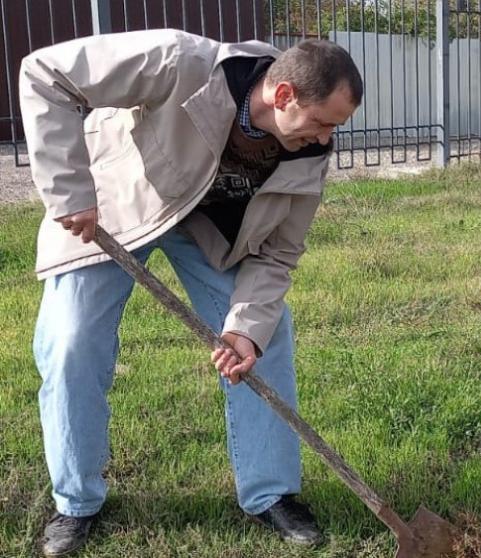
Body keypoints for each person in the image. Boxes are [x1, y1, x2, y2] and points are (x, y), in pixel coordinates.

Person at [19, 29, 362, 556]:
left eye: (335, 127)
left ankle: (271, 492)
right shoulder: (181, 63)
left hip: (208, 235)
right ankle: (76, 503)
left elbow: (277, 255)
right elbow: (47, 72)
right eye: (321, 122)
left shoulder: (309, 153)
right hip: (117, 206)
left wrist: (243, 330)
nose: (325, 139)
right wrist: (69, 190)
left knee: (267, 338)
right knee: (70, 342)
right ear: (284, 95)